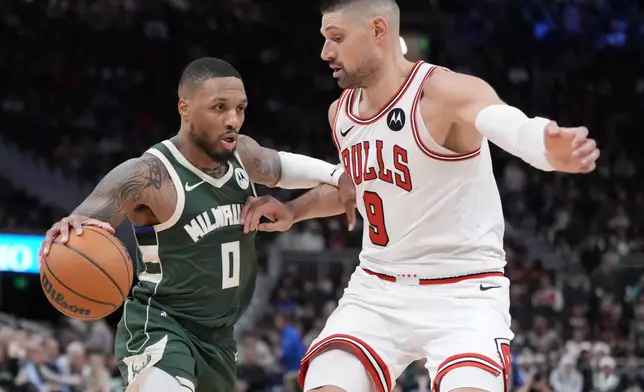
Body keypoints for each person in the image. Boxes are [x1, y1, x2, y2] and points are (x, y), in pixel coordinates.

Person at [239, 0, 600, 391]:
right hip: (377, 289)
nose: (325, 53)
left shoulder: (442, 91)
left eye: (336, 38)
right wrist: (293, 210)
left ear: (379, 30)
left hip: (463, 290)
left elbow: (502, 121)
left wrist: (545, 145)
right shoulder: (340, 114)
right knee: (327, 384)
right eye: (325, 39)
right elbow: (357, 187)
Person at [39, 57, 355, 392]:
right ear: (185, 108)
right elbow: (86, 219)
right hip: (162, 327)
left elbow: (287, 167)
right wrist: (71, 227)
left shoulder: (243, 156)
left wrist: (336, 174)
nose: (233, 119)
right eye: (219, 107)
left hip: (220, 338)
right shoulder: (148, 175)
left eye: (240, 108)